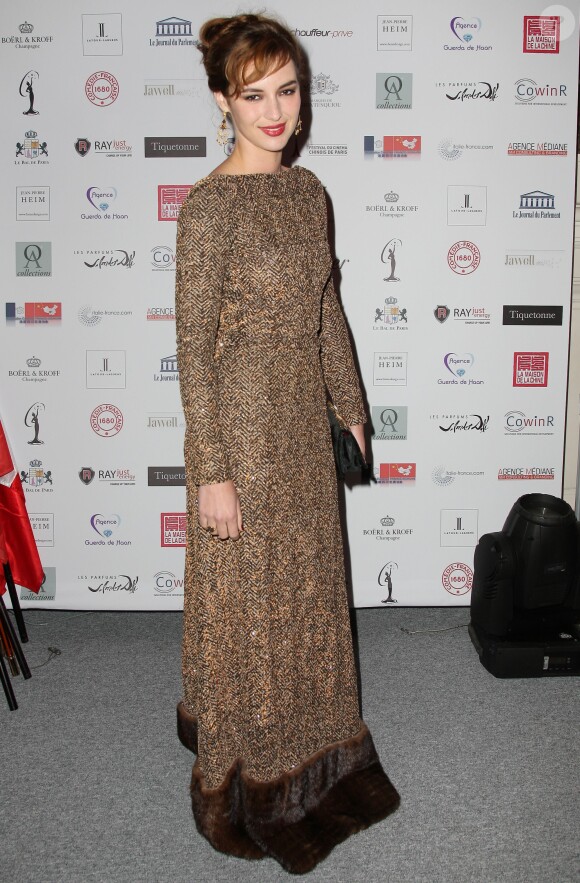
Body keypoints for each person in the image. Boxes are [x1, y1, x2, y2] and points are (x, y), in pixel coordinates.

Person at [175, 13, 400, 874]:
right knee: (252, 620)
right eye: (254, 94)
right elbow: (193, 354)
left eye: (288, 90)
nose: (275, 111)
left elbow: (325, 309)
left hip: (304, 434)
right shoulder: (208, 212)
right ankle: (246, 787)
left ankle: (324, 769)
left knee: (309, 605)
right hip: (241, 435)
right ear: (223, 101)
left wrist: (349, 405)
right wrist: (214, 473)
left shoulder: (310, 195)